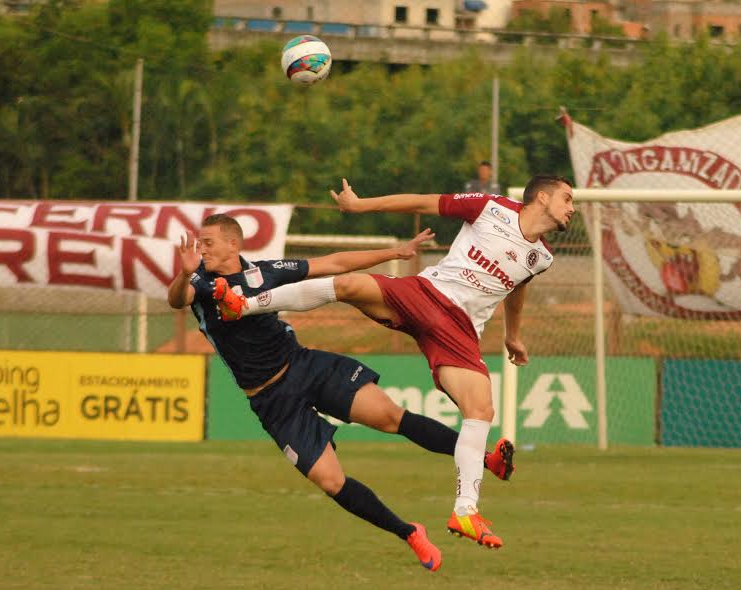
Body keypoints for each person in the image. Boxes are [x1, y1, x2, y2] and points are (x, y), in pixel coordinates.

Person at [215, 175, 575, 547]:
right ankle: (244, 304)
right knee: (350, 286)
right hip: (425, 294)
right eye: (567, 198)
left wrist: (512, 334)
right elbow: (421, 201)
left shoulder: (542, 257)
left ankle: (466, 511)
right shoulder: (492, 207)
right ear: (542, 197)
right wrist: (360, 205)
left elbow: (517, 287)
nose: (572, 206)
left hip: (460, 332)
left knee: (481, 408)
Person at [168, 213, 515, 572]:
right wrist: (183, 273)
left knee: (390, 417)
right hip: (271, 400)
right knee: (331, 481)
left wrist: (395, 251)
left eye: (207, 242)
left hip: (305, 366)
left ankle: (487, 459)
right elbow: (178, 299)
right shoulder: (199, 283)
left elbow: (332, 264)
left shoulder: (266, 272)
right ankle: (409, 532)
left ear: (232, 244)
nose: (201, 249)